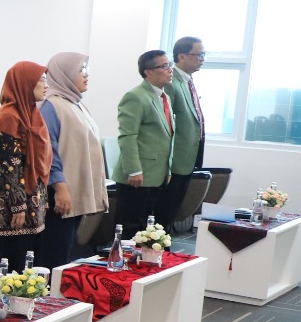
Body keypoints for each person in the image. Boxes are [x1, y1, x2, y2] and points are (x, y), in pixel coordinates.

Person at [0, 62, 57, 272]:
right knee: (9, 264)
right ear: (25, 83)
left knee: (29, 266)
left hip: (33, 203)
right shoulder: (8, 117)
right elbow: (9, 167)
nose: (46, 85)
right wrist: (18, 206)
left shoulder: (32, 114)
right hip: (11, 206)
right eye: (41, 80)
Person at [38, 52, 109, 268]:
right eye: (80, 70)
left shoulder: (75, 103)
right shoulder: (51, 105)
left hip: (73, 190)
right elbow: (49, 150)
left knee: (65, 250)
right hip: (60, 192)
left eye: (86, 69)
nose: (86, 75)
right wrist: (60, 188)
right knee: (54, 253)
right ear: (64, 73)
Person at [116, 49, 180, 237]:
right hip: (138, 176)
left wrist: (168, 169)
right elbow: (128, 136)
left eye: (170, 65)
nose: (170, 70)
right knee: (131, 227)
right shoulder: (135, 96)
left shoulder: (164, 97)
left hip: (157, 174)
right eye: (164, 66)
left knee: (148, 229)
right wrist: (134, 170)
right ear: (148, 72)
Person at [163, 36, 207, 222]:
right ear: (181, 56)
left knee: (175, 206)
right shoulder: (171, 82)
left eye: (204, 54)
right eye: (199, 55)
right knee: (166, 207)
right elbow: (166, 123)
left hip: (189, 155)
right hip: (175, 158)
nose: (202, 59)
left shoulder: (187, 81)